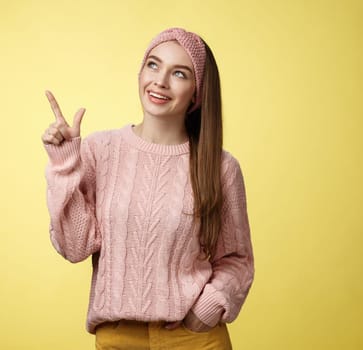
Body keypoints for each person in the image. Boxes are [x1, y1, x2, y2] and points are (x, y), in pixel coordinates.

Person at [41, 27, 254, 349]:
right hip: (118, 337)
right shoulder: (100, 150)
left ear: (197, 92)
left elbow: (237, 259)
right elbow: (74, 248)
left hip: (193, 339)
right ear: (140, 72)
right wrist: (63, 165)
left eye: (179, 73)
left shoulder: (220, 166)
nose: (160, 81)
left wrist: (204, 311)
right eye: (153, 65)